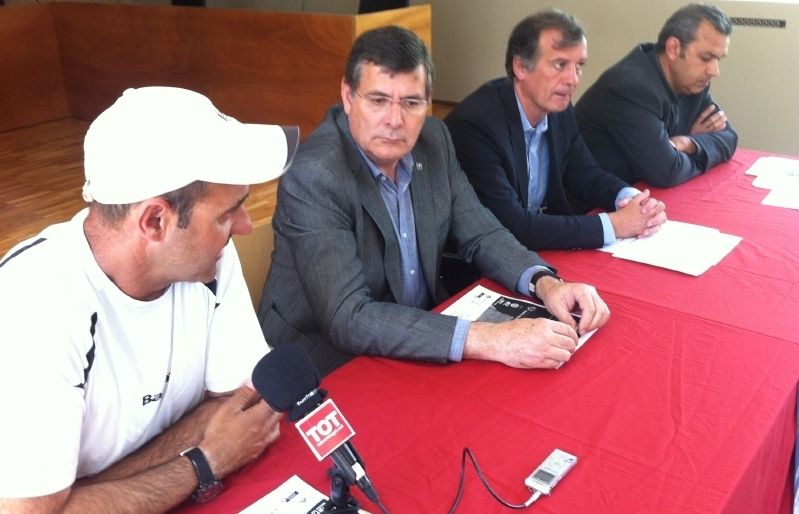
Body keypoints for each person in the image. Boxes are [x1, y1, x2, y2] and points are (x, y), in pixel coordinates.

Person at [0, 86, 299, 512]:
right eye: (227, 212)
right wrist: (203, 461)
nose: (245, 226)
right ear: (156, 221)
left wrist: (84, 494)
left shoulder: (208, 258)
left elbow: (241, 405)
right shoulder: (34, 305)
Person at [257, 26, 610, 377]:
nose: (395, 121)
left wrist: (546, 285)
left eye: (411, 103)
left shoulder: (434, 139)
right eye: (378, 100)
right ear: (348, 97)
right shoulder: (317, 174)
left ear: (428, 102)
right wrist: (492, 339)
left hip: (419, 334)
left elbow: (481, 232)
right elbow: (349, 318)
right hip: (326, 358)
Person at [445, 9, 667, 251]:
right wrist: (615, 225)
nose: (572, 79)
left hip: (542, 245)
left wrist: (630, 198)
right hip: (485, 262)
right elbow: (512, 226)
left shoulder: (559, 109)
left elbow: (586, 174)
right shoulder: (476, 126)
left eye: (579, 65)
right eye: (559, 64)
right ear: (520, 67)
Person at [575, 3, 737, 188]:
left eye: (719, 59)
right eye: (706, 58)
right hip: (593, 207)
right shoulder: (630, 88)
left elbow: (729, 138)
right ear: (673, 48)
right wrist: (689, 152)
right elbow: (667, 171)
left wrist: (688, 142)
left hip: (639, 196)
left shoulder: (693, 82)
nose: (714, 70)